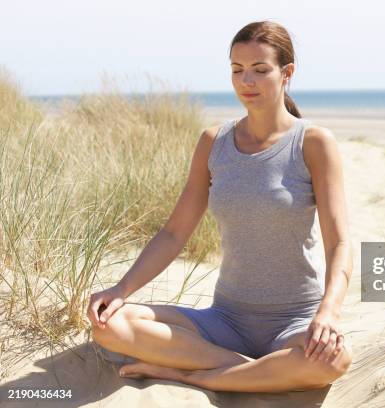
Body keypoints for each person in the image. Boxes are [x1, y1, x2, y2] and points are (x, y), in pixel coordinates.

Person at [87, 20, 354, 393]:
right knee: (111, 324)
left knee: (335, 359)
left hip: (294, 321)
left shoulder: (312, 142)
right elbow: (173, 233)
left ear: (286, 73)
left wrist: (328, 313)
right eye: (237, 70)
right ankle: (254, 372)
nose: (247, 81)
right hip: (225, 322)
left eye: (260, 70)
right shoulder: (214, 142)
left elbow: (339, 243)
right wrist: (120, 289)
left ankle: (188, 373)